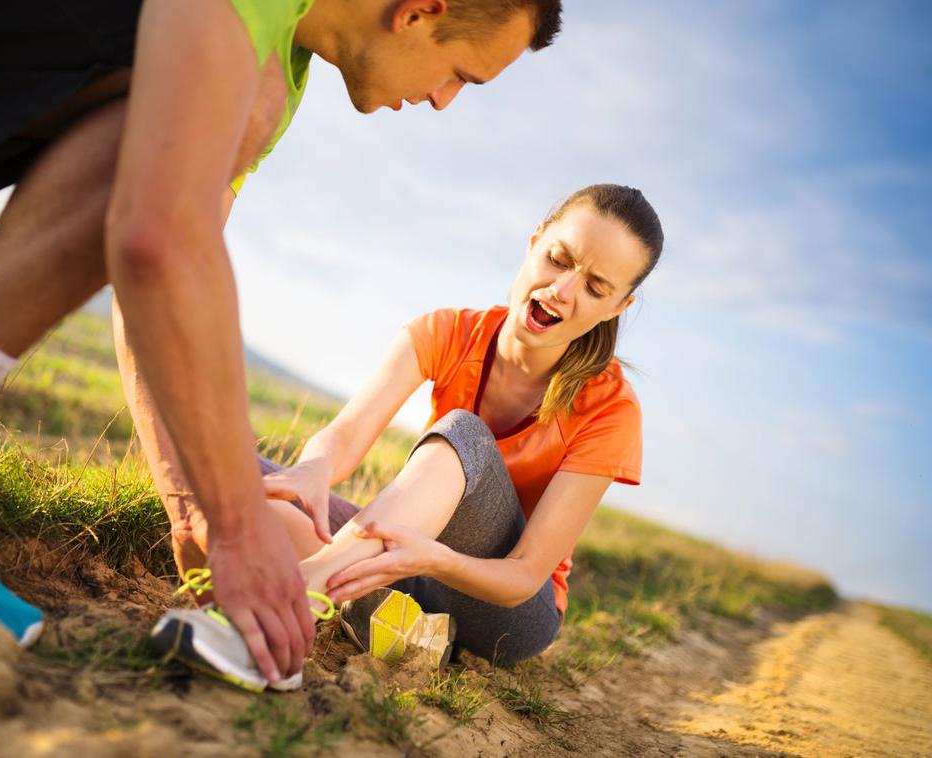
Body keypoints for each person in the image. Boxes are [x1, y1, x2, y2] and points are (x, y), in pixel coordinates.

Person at [0, 0, 562, 690]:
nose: (447, 101)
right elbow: (157, 237)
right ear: (420, 11)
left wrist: (198, 497)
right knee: (179, 107)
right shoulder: (251, 59)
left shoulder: (283, 63)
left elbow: (167, 278)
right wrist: (235, 529)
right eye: (462, 74)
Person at [150, 183, 663, 684]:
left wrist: (434, 558)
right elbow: (347, 435)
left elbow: (524, 577)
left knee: (464, 432)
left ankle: (288, 610)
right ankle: (394, 623)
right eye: (558, 259)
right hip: (405, 560)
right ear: (534, 243)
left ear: (619, 307)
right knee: (227, 478)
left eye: (596, 288)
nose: (563, 290)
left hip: (504, 611)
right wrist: (314, 469)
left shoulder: (612, 408)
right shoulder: (446, 331)